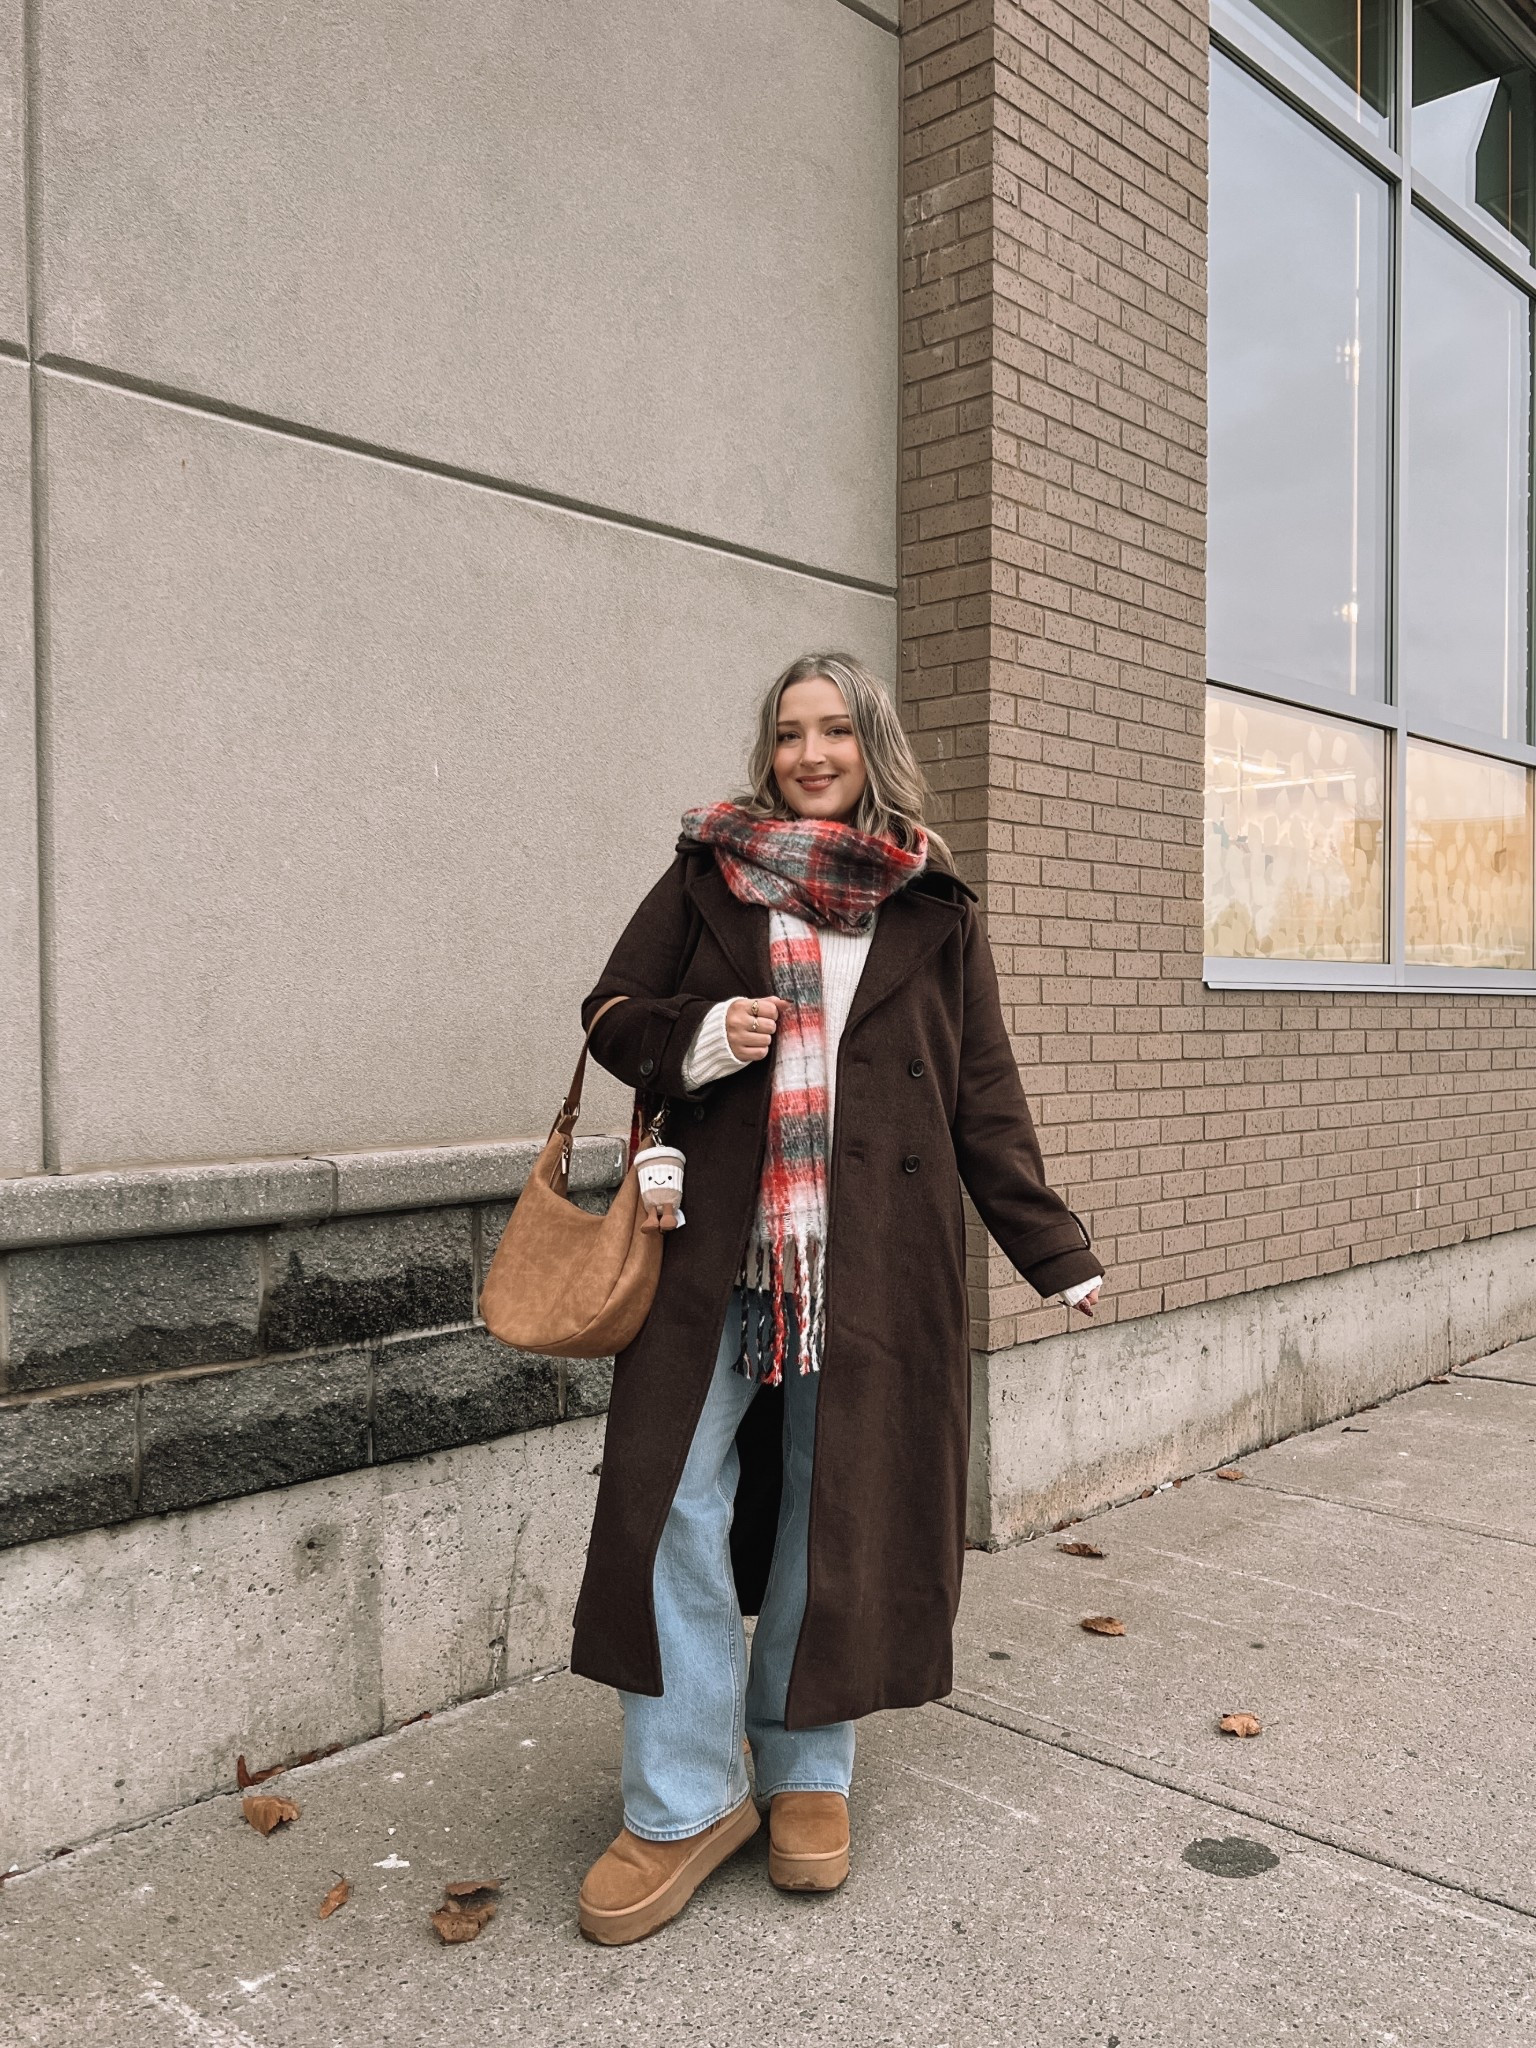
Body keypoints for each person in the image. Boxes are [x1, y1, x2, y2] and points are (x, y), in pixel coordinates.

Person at [570, 652, 1105, 1945]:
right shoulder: (708, 872)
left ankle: (807, 1767)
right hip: (710, 1255)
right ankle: (683, 1798)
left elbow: (982, 1095)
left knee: (837, 1504)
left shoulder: (933, 907)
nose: (810, 754)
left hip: (870, 1266)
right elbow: (612, 1013)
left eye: (834, 732)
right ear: (769, 751)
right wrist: (703, 1039)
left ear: (872, 745)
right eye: (788, 733)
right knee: (666, 1501)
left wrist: (1051, 1246)